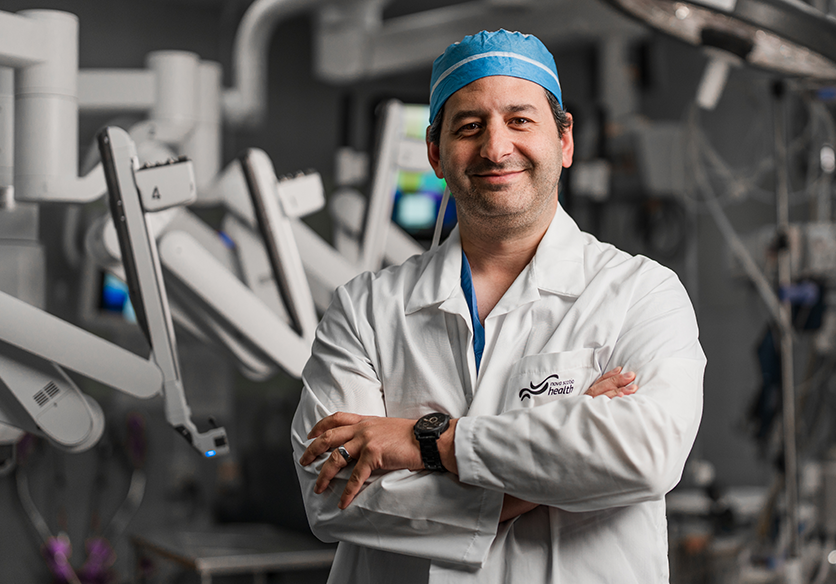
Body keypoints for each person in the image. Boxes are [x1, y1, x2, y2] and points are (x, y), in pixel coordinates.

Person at [292, 29, 706, 583]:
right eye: (469, 127)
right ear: (436, 153)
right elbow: (332, 496)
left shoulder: (641, 293)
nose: (495, 147)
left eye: (520, 120)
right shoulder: (365, 310)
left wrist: (426, 442)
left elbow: (645, 454)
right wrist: (555, 467)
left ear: (564, 141)